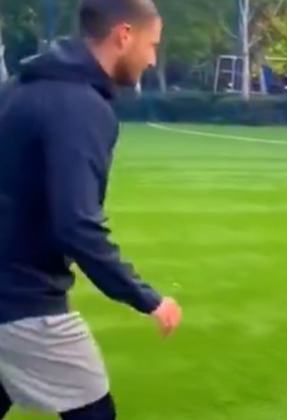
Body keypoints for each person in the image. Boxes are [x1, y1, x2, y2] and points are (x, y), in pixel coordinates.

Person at [0, 0, 181, 418]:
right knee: (94, 413)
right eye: (152, 45)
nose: (152, 59)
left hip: (7, 291)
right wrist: (146, 298)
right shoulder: (80, 107)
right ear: (124, 35)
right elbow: (77, 224)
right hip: (23, 299)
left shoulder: (19, 89)